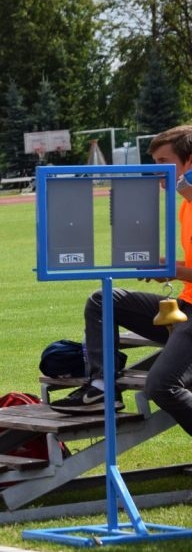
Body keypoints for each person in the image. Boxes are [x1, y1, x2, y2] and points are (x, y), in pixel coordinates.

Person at [51, 125, 192, 425]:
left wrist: (171, 269)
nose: (157, 172)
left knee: (161, 386)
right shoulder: (185, 206)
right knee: (103, 301)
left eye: (162, 163)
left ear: (189, 160)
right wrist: (169, 263)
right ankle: (103, 387)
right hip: (184, 308)